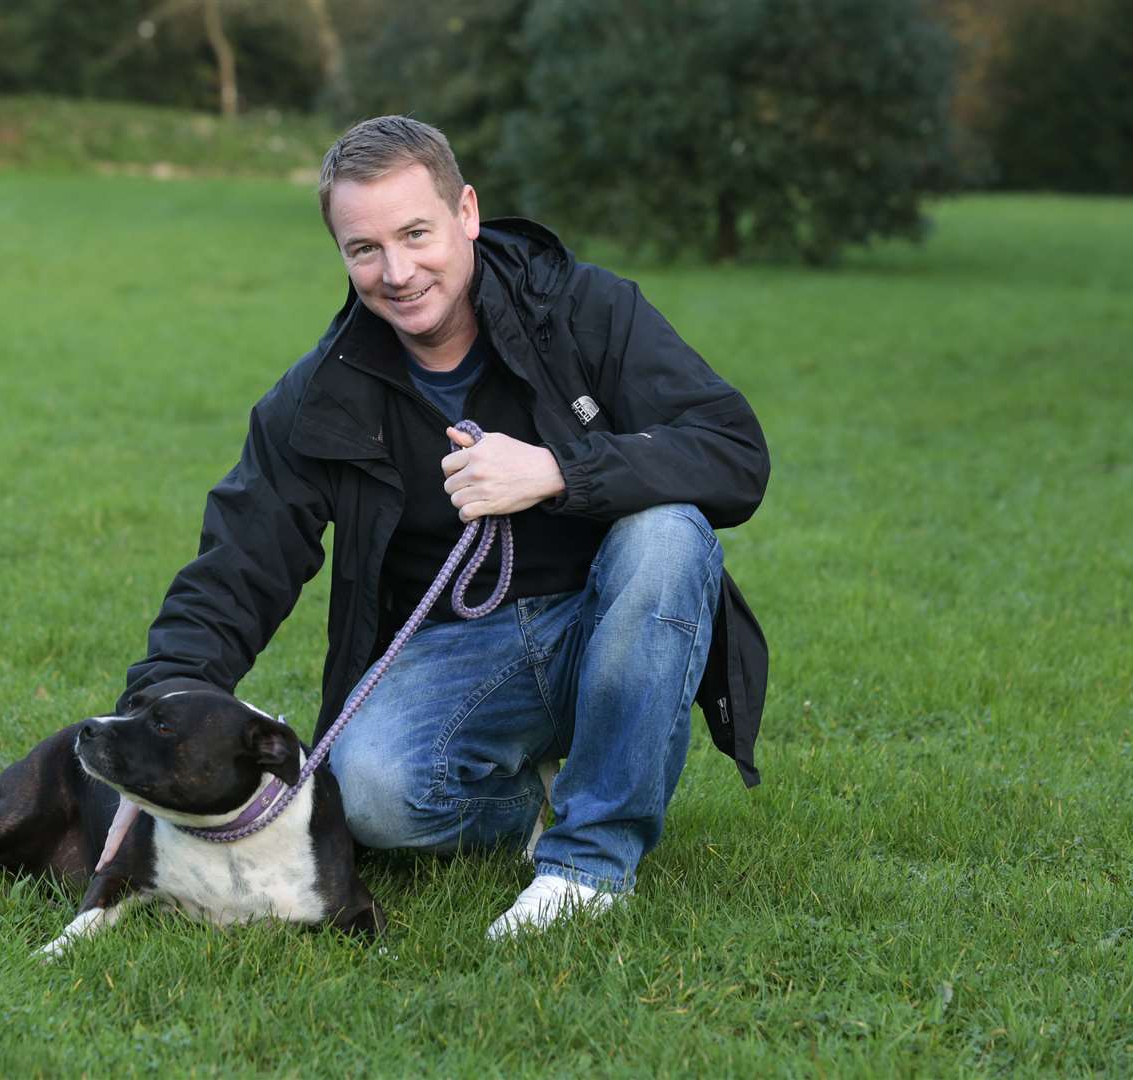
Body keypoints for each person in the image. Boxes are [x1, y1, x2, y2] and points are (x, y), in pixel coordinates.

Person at [116, 116, 769, 938]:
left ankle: (590, 866)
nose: (397, 272)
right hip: (457, 651)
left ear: (466, 211)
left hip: (613, 621)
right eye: (364, 249)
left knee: (669, 532)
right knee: (372, 797)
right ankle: (536, 803)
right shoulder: (321, 398)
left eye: (416, 233)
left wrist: (559, 471)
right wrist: (149, 728)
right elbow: (234, 572)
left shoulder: (584, 308)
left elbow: (734, 451)